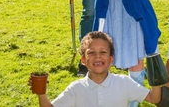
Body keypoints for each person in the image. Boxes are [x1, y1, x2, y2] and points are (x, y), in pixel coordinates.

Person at [28, 31, 161, 107]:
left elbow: (154, 98)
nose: (97, 56)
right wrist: (41, 93)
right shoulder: (76, 88)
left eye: (103, 52)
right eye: (91, 53)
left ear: (111, 59)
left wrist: (156, 79)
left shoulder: (124, 83)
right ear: (83, 60)